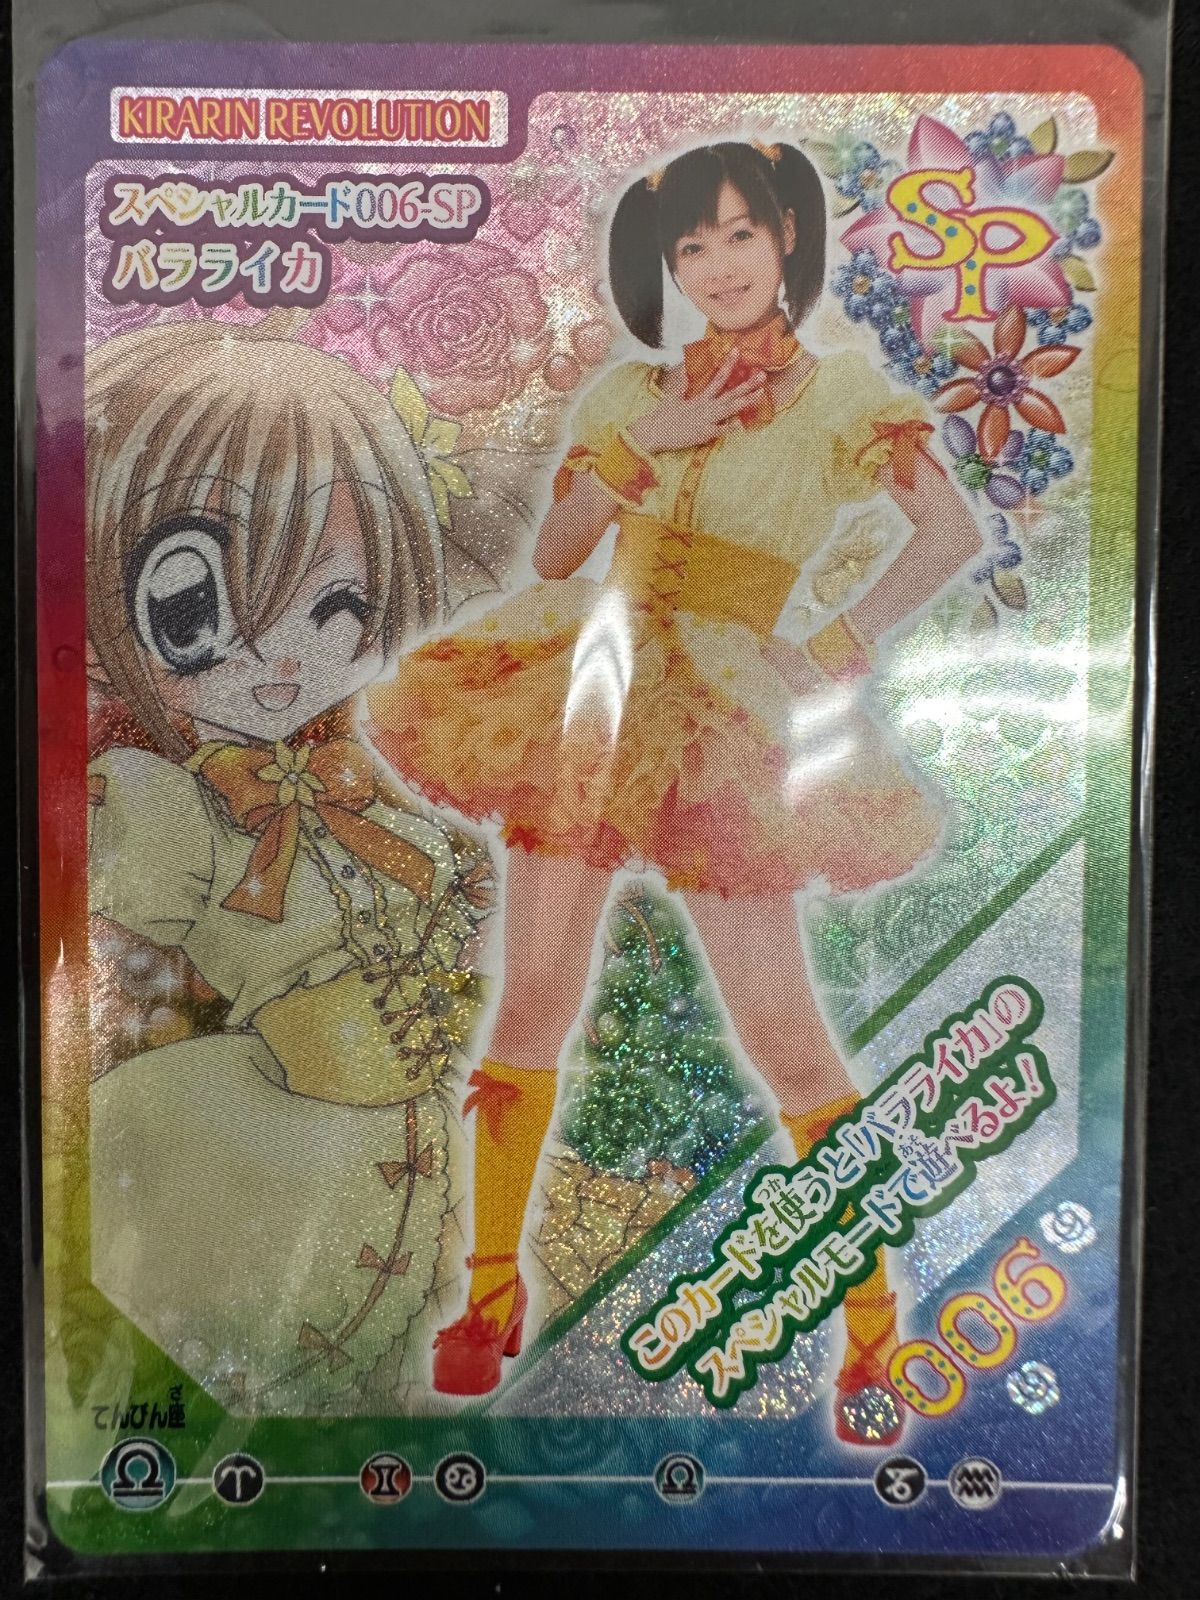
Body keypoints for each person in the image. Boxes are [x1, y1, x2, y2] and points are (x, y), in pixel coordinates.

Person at [367, 140, 983, 1441]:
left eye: (740, 233)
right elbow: (557, 552)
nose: (717, 265)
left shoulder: (842, 396)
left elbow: (949, 533)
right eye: (691, 245)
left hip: (726, 719)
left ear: (787, 238)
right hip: (588, 691)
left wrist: (832, 642)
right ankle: (491, 1295)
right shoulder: (633, 389)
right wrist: (650, 437)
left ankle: (874, 1322)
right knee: (533, 993)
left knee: (786, 1036)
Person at [85, 319, 490, 1410]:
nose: (279, 662)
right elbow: (104, 910)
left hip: (419, 1131)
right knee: (274, 1358)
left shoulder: (362, 789)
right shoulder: (169, 805)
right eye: (196, 610)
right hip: (271, 1137)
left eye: (336, 607)